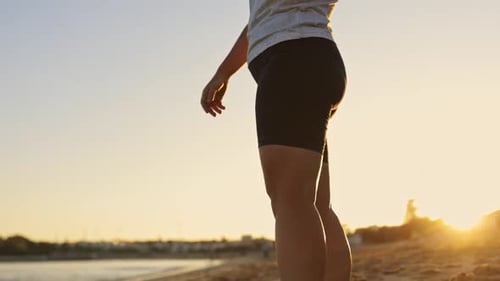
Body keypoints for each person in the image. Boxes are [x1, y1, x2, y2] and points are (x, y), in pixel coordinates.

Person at [201, 1, 351, 281]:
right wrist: (224, 71)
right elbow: (261, 19)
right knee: (315, 203)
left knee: (291, 201)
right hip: (308, 60)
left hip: (292, 62)